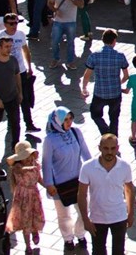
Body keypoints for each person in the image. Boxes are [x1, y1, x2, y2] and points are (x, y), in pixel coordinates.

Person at [41, 107, 91, 254]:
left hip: (78, 180)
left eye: (70, 118)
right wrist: (49, 184)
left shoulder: (76, 132)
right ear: (57, 121)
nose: (69, 122)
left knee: (83, 211)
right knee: (64, 215)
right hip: (59, 185)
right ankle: (68, 239)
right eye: (65, 120)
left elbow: (86, 153)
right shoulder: (49, 140)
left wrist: (93, 172)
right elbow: (46, 163)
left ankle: (80, 234)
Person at [78, 134, 134, 255]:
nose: (109, 152)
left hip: (119, 216)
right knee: (98, 251)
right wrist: (85, 219)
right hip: (97, 217)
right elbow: (81, 194)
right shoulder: (87, 167)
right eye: (106, 148)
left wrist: (130, 213)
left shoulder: (125, 167)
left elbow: (129, 190)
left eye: (113, 148)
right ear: (100, 148)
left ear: (117, 148)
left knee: (119, 251)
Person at [0, 13, 40, 132]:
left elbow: (25, 50)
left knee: (25, 98)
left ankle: (29, 124)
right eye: (11, 23)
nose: (14, 26)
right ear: (5, 24)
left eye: (16, 23)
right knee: (10, 99)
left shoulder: (21, 34)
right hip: (6, 74)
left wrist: (29, 66)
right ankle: (11, 123)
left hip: (21, 71)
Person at [81, 29, 130, 137]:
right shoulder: (120, 56)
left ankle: (105, 132)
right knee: (114, 118)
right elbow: (126, 76)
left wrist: (84, 88)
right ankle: (113, 138)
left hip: (100, 93)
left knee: (95, 114)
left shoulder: (94, 56)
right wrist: (119, 83)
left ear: (103, 40)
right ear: (114, 41)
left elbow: (87, 75)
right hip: (115, 94)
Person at [5, 141, 45, 255]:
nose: (27, 158)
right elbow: (20, 170)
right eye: (24, 157)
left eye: (28, 155)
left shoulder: (35, 164)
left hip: (34, 195)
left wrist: (48, 187)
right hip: (23, 197)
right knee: (25, 220)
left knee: (36, 215)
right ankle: (28, 246)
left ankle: (35, 231)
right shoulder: (17, 167)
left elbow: (39, 179)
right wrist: (27, 168)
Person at [48, 0, 84, 70]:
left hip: (71, 21)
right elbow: (49, 2)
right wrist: (55, 10)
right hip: (58, 21)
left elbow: (81, 4)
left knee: (70, 42)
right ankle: (55, 59)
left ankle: (70, 61)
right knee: (55, 41)